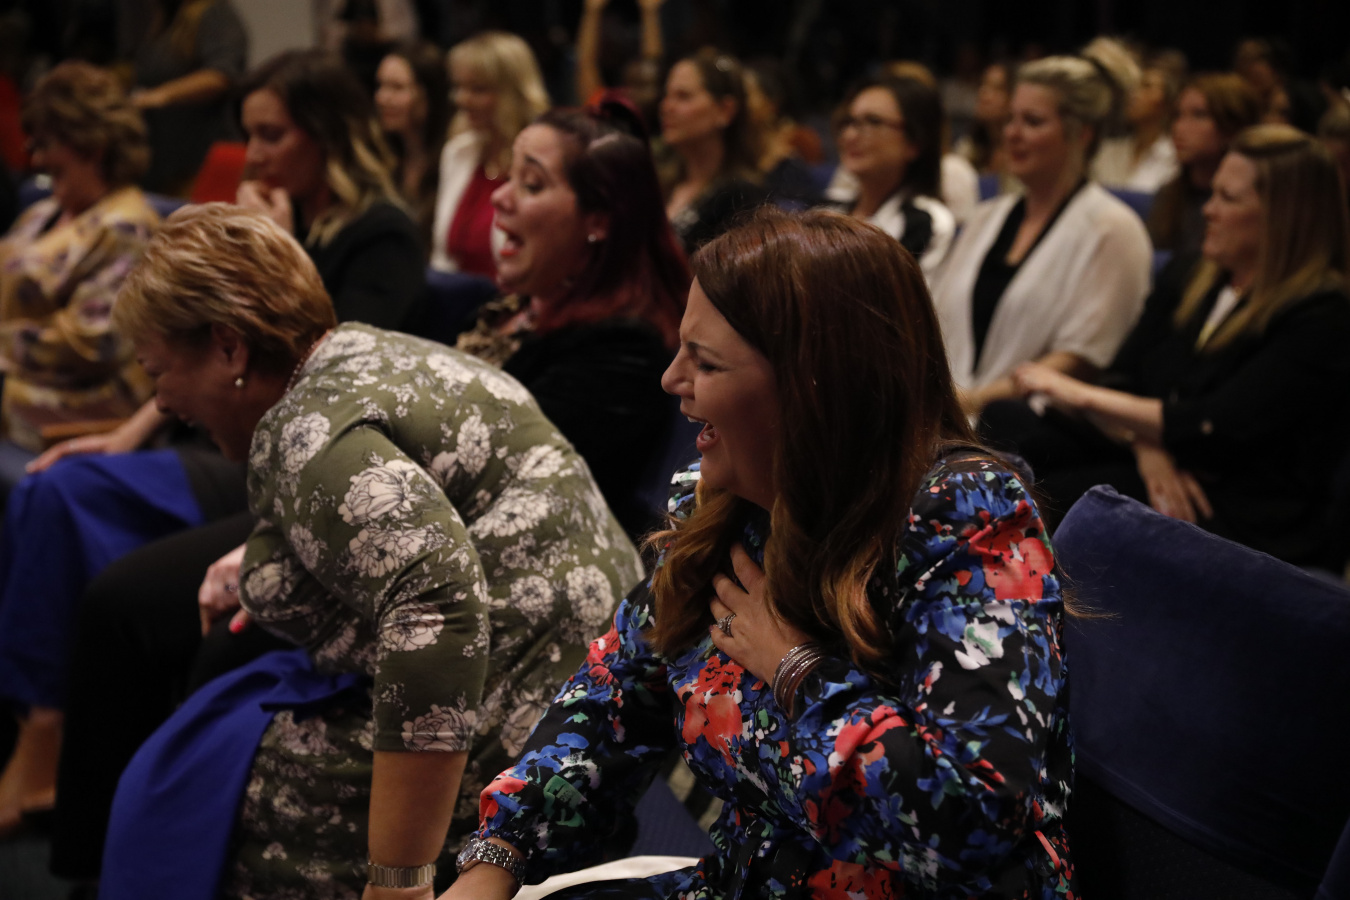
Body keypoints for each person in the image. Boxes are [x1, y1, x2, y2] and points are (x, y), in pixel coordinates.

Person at [47, 100, 690, 883]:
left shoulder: (306, 430)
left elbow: (438, 605)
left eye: (160, 373)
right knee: (211, 721)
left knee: (207, 783)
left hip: (548, 709)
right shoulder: (353, 351)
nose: (164, 401)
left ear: (228, 348)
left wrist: (398, 876)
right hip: (586, 672)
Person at [448, 207, 1074, 900]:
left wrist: (797, 669)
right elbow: (615, 697)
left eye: (706, 362)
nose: (671, 379)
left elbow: (973, 819)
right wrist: (497, 856)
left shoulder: (967, 516)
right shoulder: (731, 507)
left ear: (813, 388)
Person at [985, 124, 1350, 569]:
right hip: (1160, 457)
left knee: (1056, 493)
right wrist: (1148, 446)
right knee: (1006, 423)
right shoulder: (1192, 274)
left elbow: (1217, 426)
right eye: (1212, 194)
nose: (1209, 210)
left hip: (1232, 500)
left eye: (1228, 198)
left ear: (1285, 216)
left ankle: (996, 596)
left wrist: (1077, 393)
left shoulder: (1322, 314)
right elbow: (1124, 377)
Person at [931, 54, 1153, 417]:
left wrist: (971, 402)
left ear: (1082, 134)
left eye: (1032, 121)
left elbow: (1080, 360)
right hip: (949, 418)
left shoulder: (1114, 229)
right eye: (1011, 119)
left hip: (1031, 425)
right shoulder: (986, 218)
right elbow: (935, 322)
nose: (1012, 134)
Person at [0, 62, 159, 490]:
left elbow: (93, 341)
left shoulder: (126, 226)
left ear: (93, 146)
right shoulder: (44, 211)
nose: (36, 158)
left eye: (47, 144)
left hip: (81, 399)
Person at [430, 31, 550, 277]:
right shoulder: (458, 152)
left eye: (478, 89)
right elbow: (442, 256)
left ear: (513, 93)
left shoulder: (542, 163)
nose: (462, 99)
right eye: (458, 87)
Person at [830, 74, 956, 277]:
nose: (850, 135)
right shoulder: (827, 209)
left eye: (873, 122)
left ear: (914, 142)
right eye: (850, 122)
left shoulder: (928, 224)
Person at [132, 0, 248, 196]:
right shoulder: (165, 18)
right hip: (163, 160)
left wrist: (159, 96)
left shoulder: (214, 12)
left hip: (199, 161)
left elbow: (220, 74)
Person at [660, 48, 767, 252]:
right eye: (667, 95)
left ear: (725, 110)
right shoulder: (662, 182)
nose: (666, 107)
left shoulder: (741, 198)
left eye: (683, 96)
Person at [1149, 73, 1261, 256]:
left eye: (1199, 115)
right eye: (1177, 115)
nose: (1179, 127)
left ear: (1232, 127)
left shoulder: (1249, 202)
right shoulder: (1168, 195)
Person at [375, 40, 451, 252]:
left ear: (430, 94)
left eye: (397, 87)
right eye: (380, 86)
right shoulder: (382, 158)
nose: (382, 98)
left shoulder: (453, 159)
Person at [1093, 58, 1181, 193]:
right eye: (1133, 87)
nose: (1133, 94)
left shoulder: (1174, 158)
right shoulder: (1108, 150)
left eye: (1146, 86)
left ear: (1169, 101)